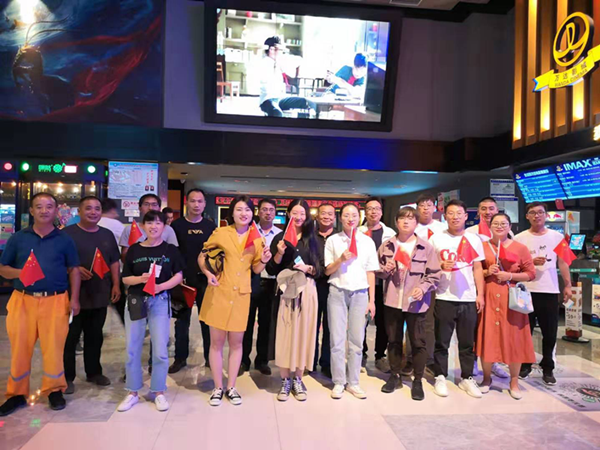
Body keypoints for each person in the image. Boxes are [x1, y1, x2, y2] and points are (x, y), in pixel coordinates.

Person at [0, 193, 81, 416]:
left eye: (49, 206)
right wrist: (22, 273)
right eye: (39, 206)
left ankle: (54, 390)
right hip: (22, 299)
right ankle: (16, 394)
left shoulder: (65, 239)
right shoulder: (18, 238)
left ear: (56, 211)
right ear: (31, 211)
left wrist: (74, 299)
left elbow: (74, 270)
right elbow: (3, 268)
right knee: (19, 349)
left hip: (55, 300)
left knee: (54, 348)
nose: (44, 210)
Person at [198, 196, 272, 406]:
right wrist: (207, 273)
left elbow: (256, 269)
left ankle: (231, 387)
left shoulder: (257, 238)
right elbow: (202, 256)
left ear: (252, 213)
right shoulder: (220, 233)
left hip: (241, 295)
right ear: (232, 212)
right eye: (239, 209)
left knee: (237, 343)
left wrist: (264, 260)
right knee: (216, 343)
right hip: (219, 292)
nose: (243, 213)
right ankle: (217, 387)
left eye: (247, 210)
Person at [117, 211, 185, 413]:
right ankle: (132, 391)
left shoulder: (170, 249)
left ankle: (158, 391)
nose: (154, 226)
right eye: (149, 223)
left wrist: (160, 286)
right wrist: (141, 279)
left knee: (160, 349)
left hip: (160, 301)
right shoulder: (134, 249)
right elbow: (125, 278)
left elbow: (179, 276)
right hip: (136, 301)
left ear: (164, 226)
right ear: (143, 226)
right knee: (132, 347)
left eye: (158, 223)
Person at [378, 207, 441, 400]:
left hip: (416, 303)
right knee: (393, 340)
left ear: (416, 223)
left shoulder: (425, 247)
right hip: (392, 301)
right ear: (396, 222)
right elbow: (376, 271)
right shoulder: (387, 245)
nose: (406, 222)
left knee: (418, 342)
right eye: (402, 218)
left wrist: (422, 288)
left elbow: (434, 275)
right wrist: (385, 269)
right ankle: (394, 375)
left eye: (411, 219)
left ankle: (417, 380)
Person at [63, 196, 121, 394]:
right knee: (70, 339)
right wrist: (74, 269)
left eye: (97, 208)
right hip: (73, 296)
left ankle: (94, 372)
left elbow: (114, 261)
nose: (93, 212)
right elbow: (58, 260)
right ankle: (67, 377)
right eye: (88, 208)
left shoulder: (106, 234)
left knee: (95, 336)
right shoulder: (67, 234)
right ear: (79, 211)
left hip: (99, 293)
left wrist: (116, 284)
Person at [266, 200, 321, 401]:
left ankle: (298, 378)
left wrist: (309, 269)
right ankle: (284, 380)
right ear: (288, 213)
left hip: (306, 290)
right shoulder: (279, 238)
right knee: (285, 334)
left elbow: (320, 269)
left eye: (302, 213)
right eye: (294, 213)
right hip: (285, 291)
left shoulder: (313, 238)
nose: (298, 217)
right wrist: (279, 253)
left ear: (307, 216)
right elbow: (271, 269)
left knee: (303, 333)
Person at [477, 213, 536, 400]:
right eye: (496, 223)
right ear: (490, 226)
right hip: (489, 296)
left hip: (512, 299)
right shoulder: (483, 246)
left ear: (510, 226)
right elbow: (475, 271)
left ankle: (514, 381)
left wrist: (510, 276)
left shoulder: (520, 248)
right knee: (488, 337)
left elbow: (530, 273)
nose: (500, 226)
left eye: (503, 223)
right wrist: (487, 271)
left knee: (514, 339)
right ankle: (486, 378)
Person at [429, 199, 484, 399]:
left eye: (459, 213)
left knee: (467, 342)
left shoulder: (474, 239)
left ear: (466, 216)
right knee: (441, 341)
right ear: (445, 216)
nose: (455, 217)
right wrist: (440, 265)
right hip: (443, 296)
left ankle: (466, 378)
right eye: (451, 213)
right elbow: (428, 266)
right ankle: (440, 376)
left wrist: (480, 294)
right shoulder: (436, 239)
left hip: (468, 297)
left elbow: (478, 268)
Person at [514, 202, 573, 385]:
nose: (537, 216)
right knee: (525, 331)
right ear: (527, 216)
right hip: (525, 292)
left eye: (540, 212)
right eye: (532, 213)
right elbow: (514, 265)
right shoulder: (519, 238)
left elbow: (563, 262)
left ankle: (548, 366)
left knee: (550, 331)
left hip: (549, 290)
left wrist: (568, 285)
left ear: (546, 215)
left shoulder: (557, 237)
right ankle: (525, 365)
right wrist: (530, 262)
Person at [325, 203, 379, 400]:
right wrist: (340, 259)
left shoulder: (367, 241)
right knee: (337, 340)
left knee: (357, 340)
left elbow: (370, 272)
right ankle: (339, 381)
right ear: (341, 218)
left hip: (360, 294)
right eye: (346, 215)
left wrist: (372, 300)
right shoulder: (333, 240)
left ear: (359, 217)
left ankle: (354, 382)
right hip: (337, 292)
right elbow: (327, 270)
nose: (350, 218)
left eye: (354, 215)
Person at [169, 189, 216, 374]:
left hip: (205, 280)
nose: (196, 204)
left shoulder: (211, 227)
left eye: (200, 201)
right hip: (183, 281)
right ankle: (180, 359)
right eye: (193, 201)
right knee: (181, 322)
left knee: (207, 321)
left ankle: (210, 358)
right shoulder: (176, 226)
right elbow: (172, 253)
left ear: (204, 204)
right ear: (186, 202)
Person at [465, 197, 510, 379]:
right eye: (483, 208)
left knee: (495, 328)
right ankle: (474, 362)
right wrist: (485, 272)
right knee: (475, 327)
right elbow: (468, 265)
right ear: (478, 212)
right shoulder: (469, 233)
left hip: (499, 290)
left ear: (497, 210)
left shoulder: (507, 234)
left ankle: (494, 362)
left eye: (491, 208)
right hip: (476, 289)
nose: (487, 212)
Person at [405, 193, 447, 377]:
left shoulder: (442, 228)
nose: (425, 208)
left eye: (429, 205)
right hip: (413, 282)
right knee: (411, 322)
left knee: (428, 324)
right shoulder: (411, 227)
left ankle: (428, 360)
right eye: (422, 205)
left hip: (434, 281)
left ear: (434, 207)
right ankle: (409, 359)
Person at [241, 198, 282, 376]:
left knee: (266, 323)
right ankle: (243, 360)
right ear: (258, 212)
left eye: (271, 210)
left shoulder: (280, 234)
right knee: (246, 322)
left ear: (275, 213)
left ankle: (262, 361)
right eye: (264, 209)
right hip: (250, 280)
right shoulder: (249, 231)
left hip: (271, 282)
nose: (268, 213)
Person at [358, 197, 395, 373]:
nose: (373, 212)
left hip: (384, 284)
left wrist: (389, 266)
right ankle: (361, 354)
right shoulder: (358, 232)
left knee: (383, 322)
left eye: (377, 209)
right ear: (365, 212)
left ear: (381, 212)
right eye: (370, 209)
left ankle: (380, 355)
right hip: (362, 283)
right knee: (361, 321)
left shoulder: (390, 234)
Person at [259, 36, 316, 118]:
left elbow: (297, 61)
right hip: (268, 99)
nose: (281, 53)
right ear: (271, 49)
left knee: (306, 102)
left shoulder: (278, 63)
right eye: (280, 50)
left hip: (281, 98)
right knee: (277, 113)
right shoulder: (264, 63)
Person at [119, 194, 179, 261]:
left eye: (154, 204)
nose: (150, 208)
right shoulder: (130, 229)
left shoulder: (168, 229)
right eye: (146, 204)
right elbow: (124, 258)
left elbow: (173, 255)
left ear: (159, 208)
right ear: (140, 208)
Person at [314, 203, 335, 378]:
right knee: (311, 326)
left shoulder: (339, 238)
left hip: (334, 288)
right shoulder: (310, 237)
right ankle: (310, 360)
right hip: (313, 287)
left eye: (330, 214)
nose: (326, 217)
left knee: (331, 327)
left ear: (334, 218)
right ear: (317, 216)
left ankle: (327, 363)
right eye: (323, 213)